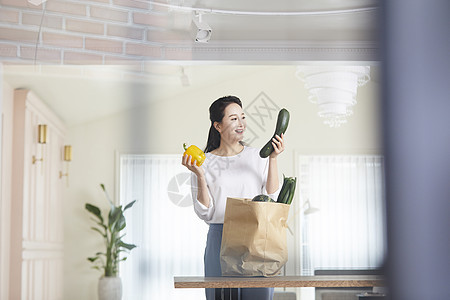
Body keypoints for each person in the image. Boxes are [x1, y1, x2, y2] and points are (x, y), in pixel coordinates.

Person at [181, 95, 285, 300]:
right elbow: (205, 211)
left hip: (256, 238)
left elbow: (272, 196)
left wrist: (273, 159)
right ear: (217, 126)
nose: (241, 123)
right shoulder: (203, 162)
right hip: (219, 237)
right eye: (233, 118)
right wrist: (200, 175)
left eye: (243, 117)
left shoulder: (259, 156)